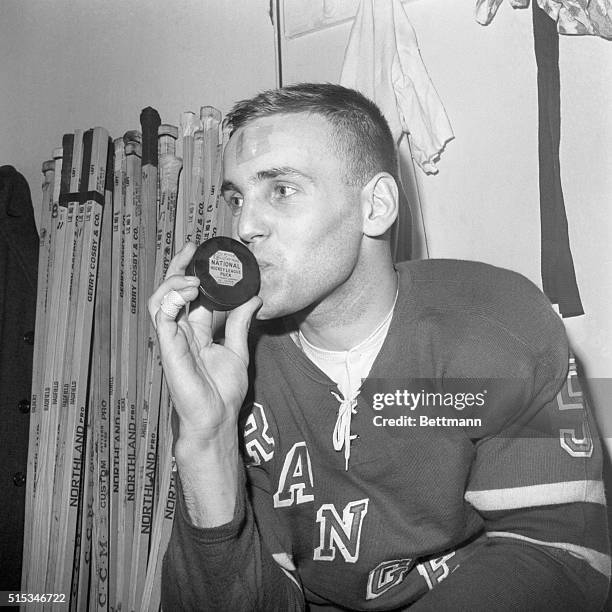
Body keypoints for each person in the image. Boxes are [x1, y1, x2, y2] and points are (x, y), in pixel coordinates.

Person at [148, 83, 609, 611]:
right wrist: (206, 442)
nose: (244, 226)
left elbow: (563, 561)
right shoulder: (236, 368)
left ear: (377, 205)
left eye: (281, 190)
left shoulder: (497, 328)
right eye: (236, 198)